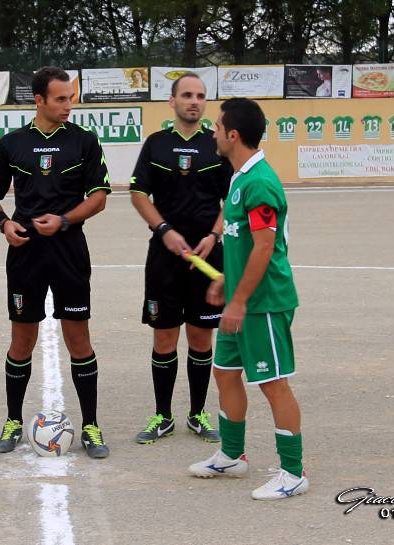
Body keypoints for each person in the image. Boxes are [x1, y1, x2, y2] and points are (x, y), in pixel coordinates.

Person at [0, 66, 112, 458]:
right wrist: (4, 224)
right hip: (25, 254)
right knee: (22, 340)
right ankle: (12, 421)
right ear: (38, 100)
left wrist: (66, 219)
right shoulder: (11, 144)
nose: (68, 105)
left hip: (70, 251)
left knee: (78, 339)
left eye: (70, 97)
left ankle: (90, 425)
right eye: (60, 98)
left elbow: (100, 196)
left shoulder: (85, 142)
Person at [188, 98, 308, 500]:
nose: (214, 133)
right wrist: (225, 280)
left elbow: (263, 248)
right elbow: (242, 244)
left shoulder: (259, 183)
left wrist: (238, 301)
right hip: (241, 297)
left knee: (273, 383)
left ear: (233, 134)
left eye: (218, 127)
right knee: (224, 372)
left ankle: (293, 473)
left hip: (264, 303)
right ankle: (232, 455)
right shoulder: (240, 176)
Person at [129, 73, 231, 444]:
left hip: (206, 258)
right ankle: (162, 415)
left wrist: (214, 236)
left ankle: (198, 413)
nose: (194, 101)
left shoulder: (216, 146)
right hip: (164, 257)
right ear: (171, 101)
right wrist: (163, 230)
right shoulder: (155, 144)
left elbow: (231, 200)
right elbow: (139, 194)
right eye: (187, 95)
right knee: (165, 338)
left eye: (201, 96)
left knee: (201, 338)